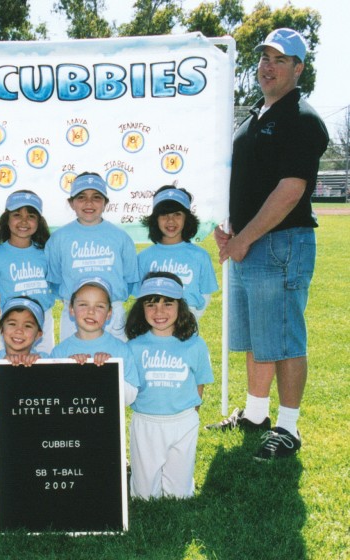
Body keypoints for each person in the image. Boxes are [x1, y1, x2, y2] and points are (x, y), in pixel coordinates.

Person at [207, 28, 329, 461]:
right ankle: (256, 415)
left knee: (284, 337)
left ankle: (288, 428)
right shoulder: (255, 117)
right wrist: (229, 229)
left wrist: (245, 238)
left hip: (280, 243)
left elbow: (291, 189)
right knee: (259, 338)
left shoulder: (301, 118)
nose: (268, 66)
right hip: (250, 241)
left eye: (280, 59)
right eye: (264, 58)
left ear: (299, 68)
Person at [125, 272, 213, 500]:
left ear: (180, 306)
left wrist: (190, 414)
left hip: (182, 421)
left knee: (180, 496)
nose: (159, 312)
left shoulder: (194, 344)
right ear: (141, 308)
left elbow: (200, 381)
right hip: (146, 421)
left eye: (168, 303)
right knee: (144, 496)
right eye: (151, 304)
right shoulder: (134, 346)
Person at [45, 172, 139, 341]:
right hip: (74, 315)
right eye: (81, 197)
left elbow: (130, 278)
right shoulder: (59, 238)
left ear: (105, 203)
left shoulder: (120, 237)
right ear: (72, 203)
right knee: (76, 363)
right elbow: (55, 280)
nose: (89, 203)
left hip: (113, 314)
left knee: (116, 364)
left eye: (96, 197)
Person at [50, 277, 140, 405]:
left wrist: (108, 372)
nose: (91, 311)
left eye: (99, 306)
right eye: (83, 305)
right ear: (71, 309)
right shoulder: (60, 352)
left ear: (109, 313)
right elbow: (54, 395)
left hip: (107, 423)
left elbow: (130, 397)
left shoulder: (121, 349)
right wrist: (69, 370)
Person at [0, 190, 55, 353]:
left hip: (43, 319)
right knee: (12, 366)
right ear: (7, 219)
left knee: (44, 363)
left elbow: (53, 285)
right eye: (17, 215)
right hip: (11, 322)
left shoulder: (45, 253)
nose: (24, 221)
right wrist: (2, 322)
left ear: (39, 221)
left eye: (31, 216)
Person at [137, 186, 218, 320]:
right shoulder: (144, 257)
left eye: (177, 214)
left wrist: (192, 319)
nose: (171, 220)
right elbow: (140, 297)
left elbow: (205, 294)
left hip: (187, 321)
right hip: (154, 322)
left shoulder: (200, 256)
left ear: (187, 218)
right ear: (155, 220)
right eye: (164, 215)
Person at [0, 296, 47, 363]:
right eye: (12, 324)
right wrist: (3, 365)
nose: (19, 331)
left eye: (27, 326)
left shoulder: (43, 360)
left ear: (38, 334)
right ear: (1, 329)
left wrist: (37, 366)